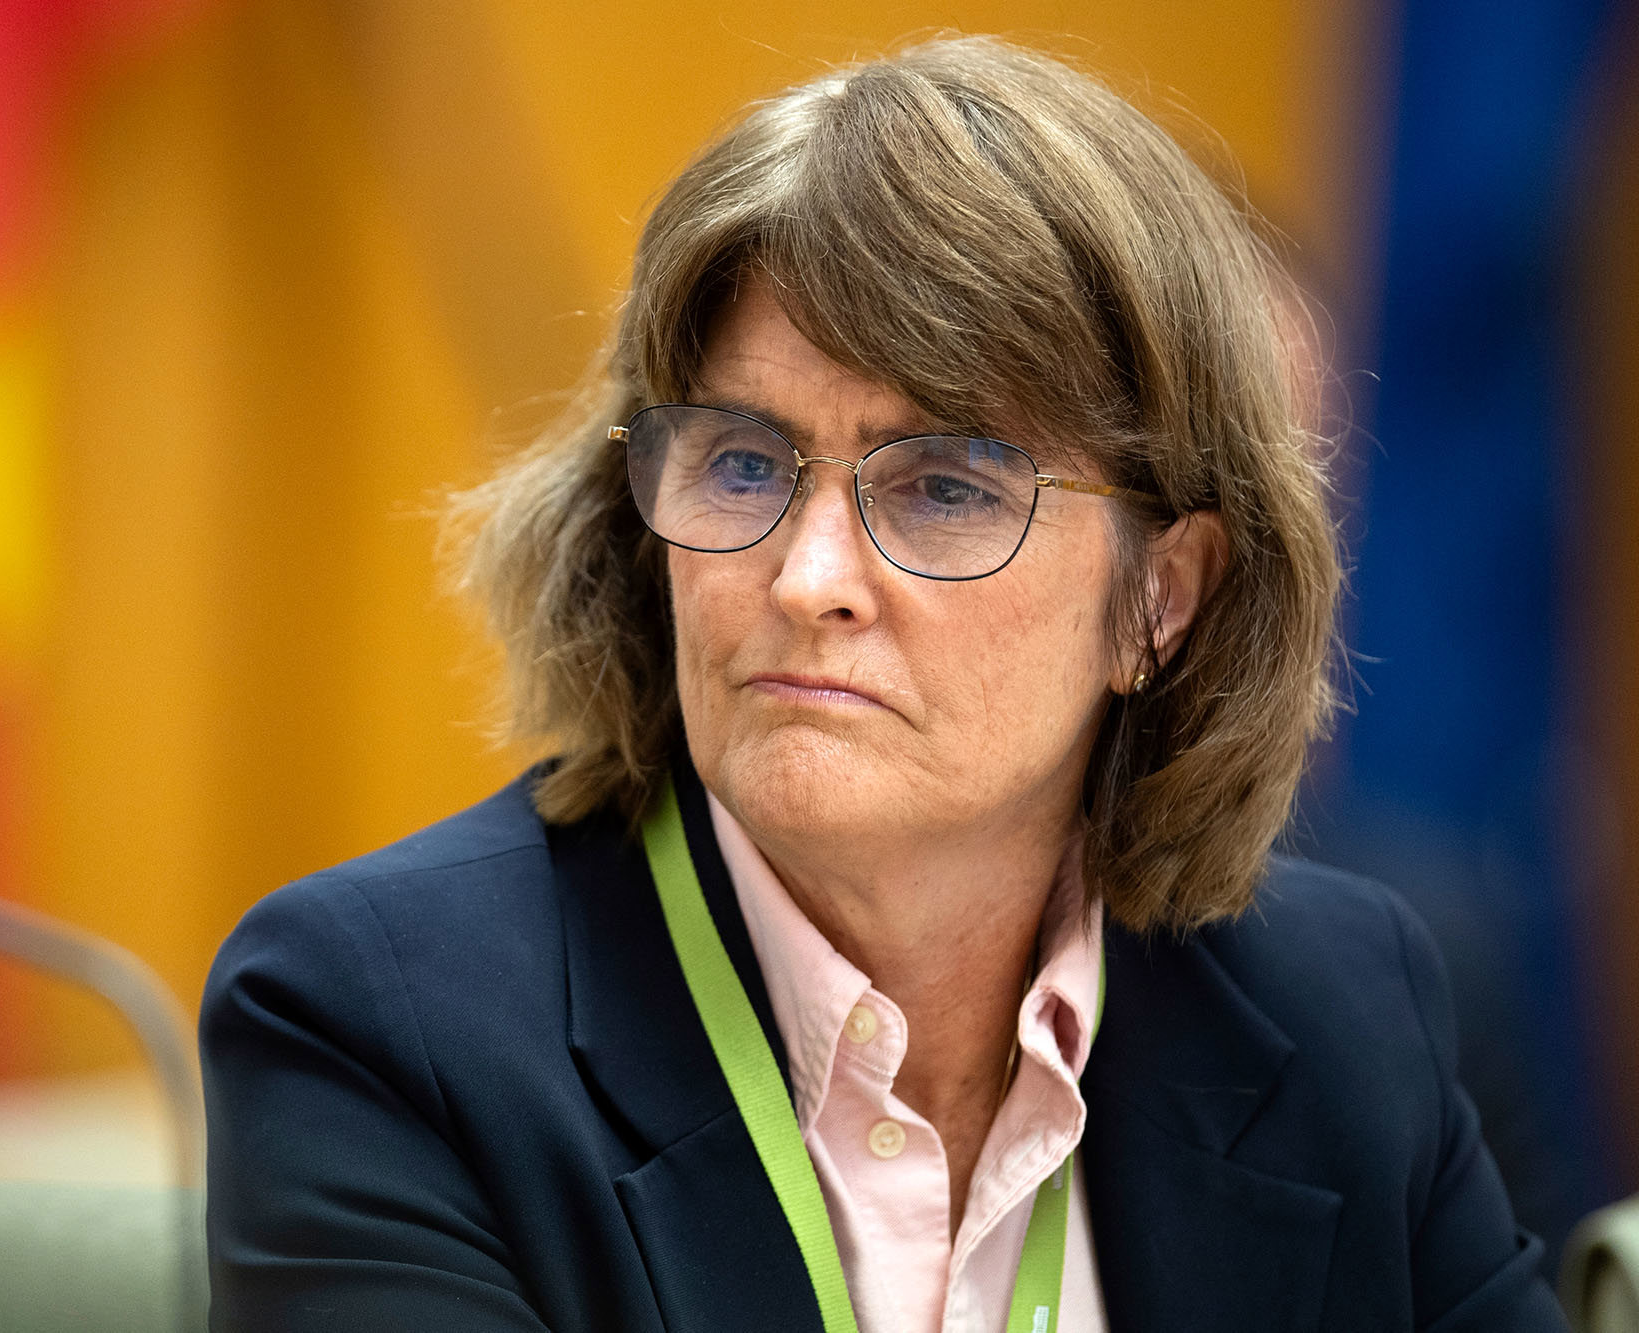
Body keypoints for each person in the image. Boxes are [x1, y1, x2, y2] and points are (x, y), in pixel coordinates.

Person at [200, 34, 1565, 1332]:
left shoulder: (1346, 1009)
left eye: (946, 488)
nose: (807, 578)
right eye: (743, 463)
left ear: (1160, 599)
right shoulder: (381, 1023)